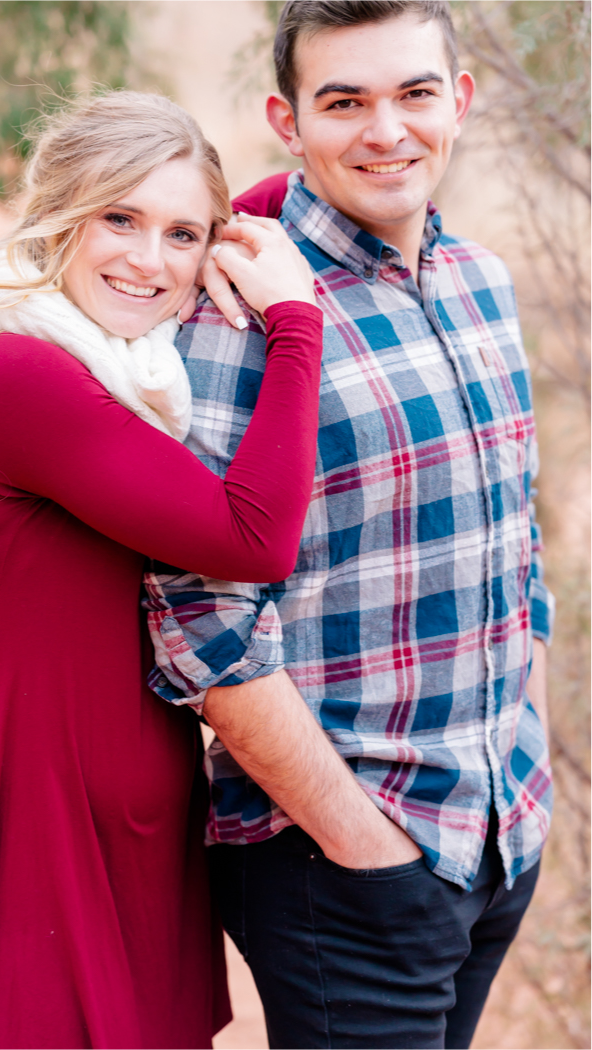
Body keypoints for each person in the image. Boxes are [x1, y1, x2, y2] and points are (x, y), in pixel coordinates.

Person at [144, 3, 553, 1047]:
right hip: (339, 859)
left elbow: (516, 548)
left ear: (457, 100)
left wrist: (525, 768)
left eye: (414, 93)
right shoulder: (238, 313)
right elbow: (201, 619)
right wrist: (362, 844)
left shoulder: (482, 286)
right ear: (288, 120)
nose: (387, 130)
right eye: (345, 102)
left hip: (495, 831)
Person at [0, 91, 323, 1049]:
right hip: (30, 820)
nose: (150, 260)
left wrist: (293, 187)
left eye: (184, 235)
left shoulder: (128, 365)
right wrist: (294, 322)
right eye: (118, 219)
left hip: (145, 825)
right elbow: (252, 535)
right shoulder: (18, 373)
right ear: (60, 214)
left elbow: (256, 210)